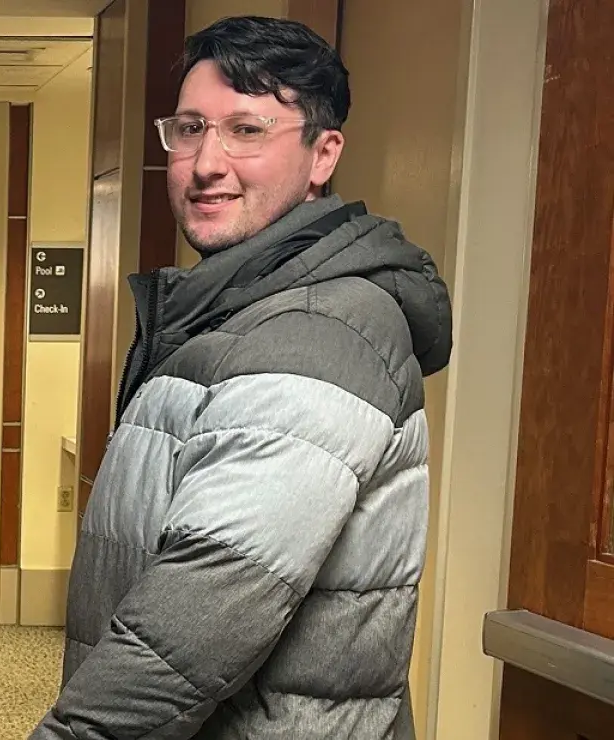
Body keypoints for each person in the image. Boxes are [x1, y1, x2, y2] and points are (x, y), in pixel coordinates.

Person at [31, 16, 452, 739]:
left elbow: (194, 622)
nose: (205, 161)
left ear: (324, 154)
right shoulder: (235, 310)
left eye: (247, 131)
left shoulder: (316, 330)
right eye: (190, 128)